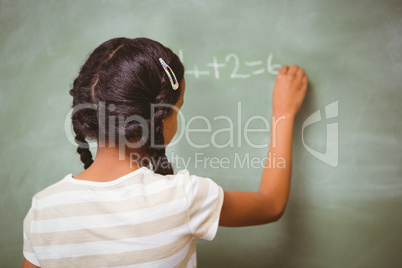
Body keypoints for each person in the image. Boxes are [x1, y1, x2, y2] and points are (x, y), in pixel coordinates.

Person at [22, 37, 308, 268]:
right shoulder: (182, 197)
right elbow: (271, 204)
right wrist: (283, 112)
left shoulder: (43, 210)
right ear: (161, 117)